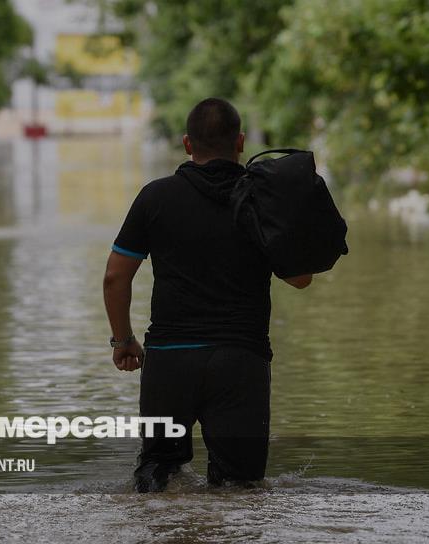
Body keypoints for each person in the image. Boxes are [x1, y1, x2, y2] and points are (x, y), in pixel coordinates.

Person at [102, 97, 313, 493]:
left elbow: (115, 277)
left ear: (187, 143)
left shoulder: (155, 197)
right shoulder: (260, 201)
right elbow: (301, 279)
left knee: (156, 481)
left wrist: (123, 340)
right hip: (241, 360)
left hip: (169, 361)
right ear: (241, 142)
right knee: (241, 490)